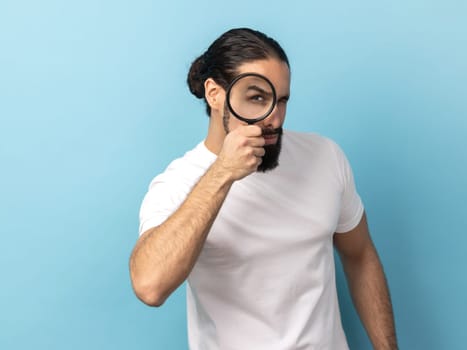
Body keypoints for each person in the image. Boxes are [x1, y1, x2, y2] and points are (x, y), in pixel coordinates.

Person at [129, 27, 398, 350]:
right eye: (257, 97)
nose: (274, 117)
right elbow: (150, 286)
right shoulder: (177, 183)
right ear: (215, 94)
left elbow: (361, 255)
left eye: (282, 100)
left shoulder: (325, 157)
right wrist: (223, 173)